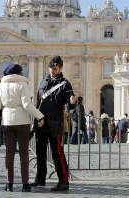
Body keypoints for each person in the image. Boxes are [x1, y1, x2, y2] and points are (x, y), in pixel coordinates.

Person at [0, 63, 44, 192]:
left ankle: (9, 184)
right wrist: (40, 116)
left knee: (9, 153)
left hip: (7, 122)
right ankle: (25, 184)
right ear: (20, 73)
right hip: (22, 122)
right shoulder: (23, 85)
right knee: (23, 153)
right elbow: (27, 105)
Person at [31, 56, 76, 191]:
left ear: (61, 68)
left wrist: (72, 102)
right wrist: (35, 120)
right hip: (41, 123)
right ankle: (40, 178)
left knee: (57, 153)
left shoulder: (65, 84)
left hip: (55, 124)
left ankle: (64, 181)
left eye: (55, 69)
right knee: (40, 152)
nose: (52, 71)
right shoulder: (44, 81)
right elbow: (38, 103)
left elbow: (70, 102)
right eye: (51, 68)